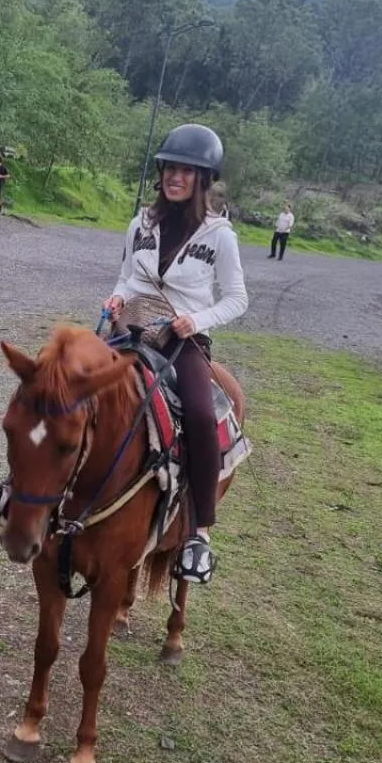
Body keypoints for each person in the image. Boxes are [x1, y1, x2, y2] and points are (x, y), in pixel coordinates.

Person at [104, 123, 248, 585]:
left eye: (187, 171)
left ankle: (199, 531)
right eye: (170, 168)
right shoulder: (140, 223)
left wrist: (197, 320)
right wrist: (116, 299)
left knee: (204, 416)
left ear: (203, 179)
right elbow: (128, 277)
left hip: (183, 339)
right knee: (65, 381)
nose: (175, 177)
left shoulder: (219, 236)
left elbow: (237, 298)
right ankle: (29, 491)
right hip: (130, 330)